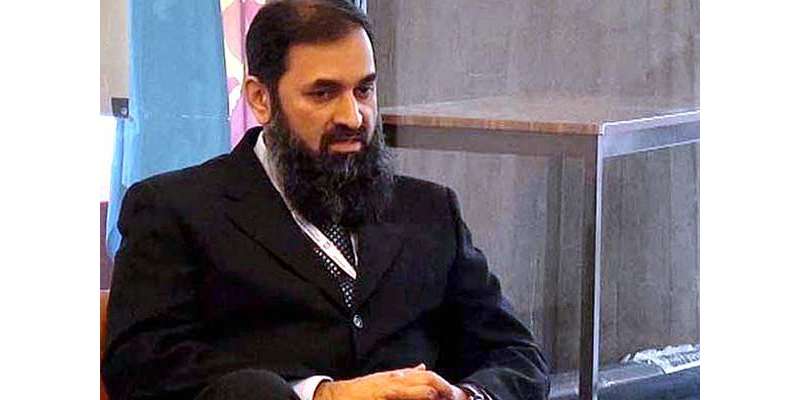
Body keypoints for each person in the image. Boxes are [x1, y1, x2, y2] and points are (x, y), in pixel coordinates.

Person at [101, 1, 550, 400]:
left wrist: (465, 396)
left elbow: (516, 355)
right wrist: (321, 394)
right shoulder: (176, 209)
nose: (353, 116)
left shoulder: (429, 210)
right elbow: (141, 368)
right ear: (261, 99)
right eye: (323, 93)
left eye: (364, 90)